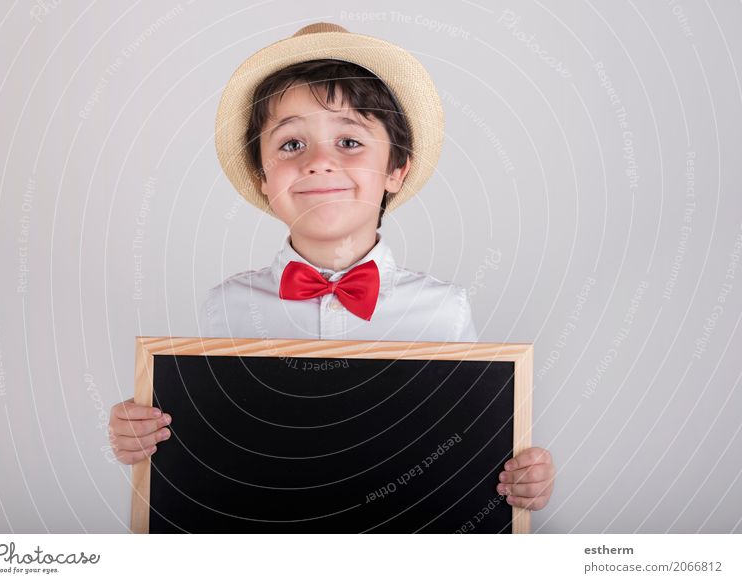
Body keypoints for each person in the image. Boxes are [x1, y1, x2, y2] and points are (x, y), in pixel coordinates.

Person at [109, 22, 555, 512]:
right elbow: (218, 446)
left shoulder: (443, 311)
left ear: (395, 170)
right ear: (262, 176)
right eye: (291, 144)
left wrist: (521, 477)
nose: (319, 162)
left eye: (349, 142)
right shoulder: (227, 308)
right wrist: (141, 434)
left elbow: (466, 446)